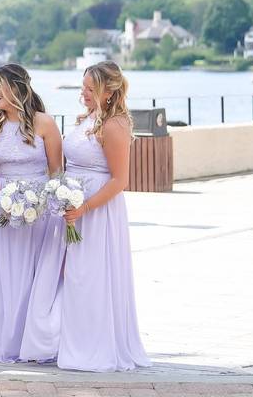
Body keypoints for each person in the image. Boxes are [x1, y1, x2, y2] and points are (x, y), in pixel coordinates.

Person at [56, 61, 150, 371]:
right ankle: (74, 341)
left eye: (89, 89)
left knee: (91, 277)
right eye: (82, 86)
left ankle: (95, 346)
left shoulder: (115, 124)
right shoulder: (89, 118)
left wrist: (85, 207)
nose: (83, 93)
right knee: (74, 277)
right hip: (74, 204)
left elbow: (119, 180)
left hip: (97, 212)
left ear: (108, 92)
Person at [0, 64, 62, 363]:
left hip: (40, 210)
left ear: (16, 87)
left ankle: (34, 343)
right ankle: (6, 340)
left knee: (34, 275)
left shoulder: (45, 124)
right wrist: (1, 199)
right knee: (5, 275)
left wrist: (43, 204)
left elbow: (56, 172)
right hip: (2, 209)